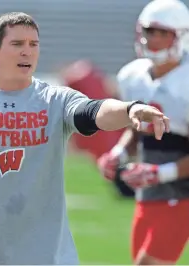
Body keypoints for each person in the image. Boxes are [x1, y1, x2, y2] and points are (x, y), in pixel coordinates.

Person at [0, 12, 169, 265]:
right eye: (17, 44)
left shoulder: (55, 100)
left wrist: (129, 109)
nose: (27, 52)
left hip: (49, 258)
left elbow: (93, 112)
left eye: (33, 44)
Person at [97, 0, 189, 264]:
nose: (155, 39)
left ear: (181, 37)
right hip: (149, 195)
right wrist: (118, 153)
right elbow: (137, 132)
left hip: (182, 194)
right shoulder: (133, 76)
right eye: (151, 32)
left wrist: (158, 172)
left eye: (163, 33)